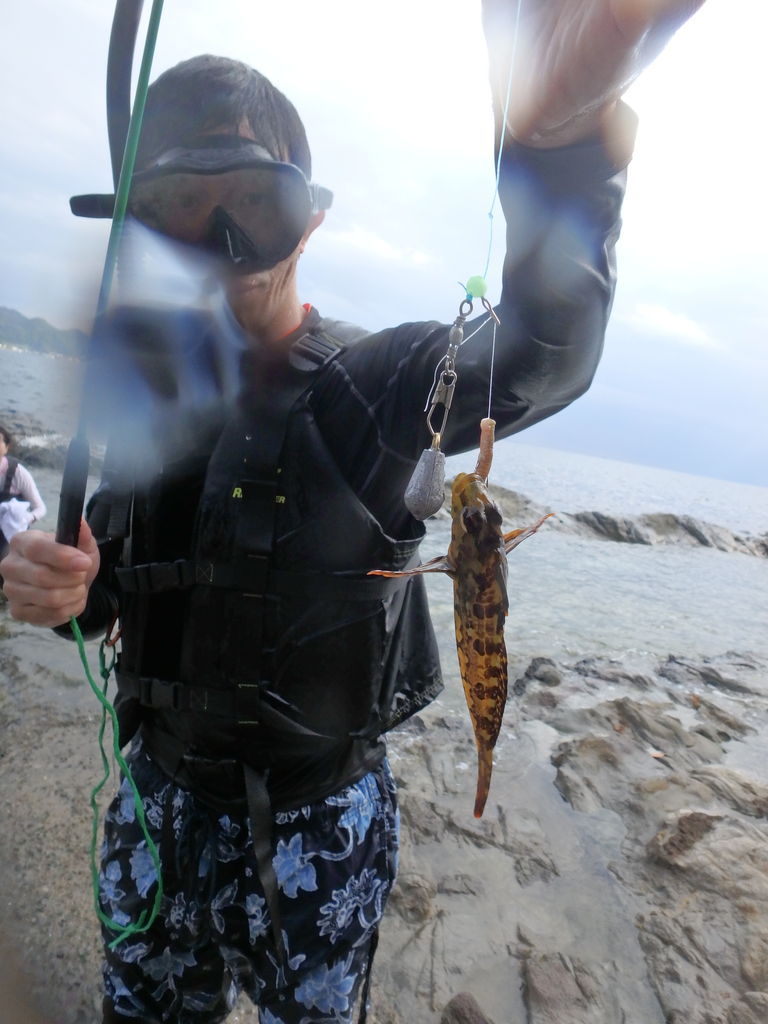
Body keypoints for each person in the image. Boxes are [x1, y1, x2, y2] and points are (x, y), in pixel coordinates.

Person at [0, 1, 705, 1021]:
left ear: (312, 215)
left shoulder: (375, 385)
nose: (225, 242)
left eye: (255, 202)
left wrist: (561, 159)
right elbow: (103, 594)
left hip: (318, 830)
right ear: (141, 225)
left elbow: (540, 358)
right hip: (157, 808)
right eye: (183, 206)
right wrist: (58, 589)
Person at [0, 425, 46, 562]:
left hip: (10, 533)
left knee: (6, 562)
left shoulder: (17, 472)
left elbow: (40, 508)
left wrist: (26, 518)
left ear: (7, 447)